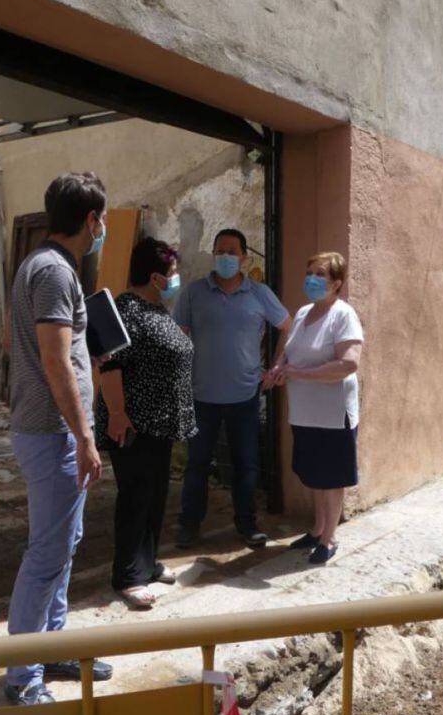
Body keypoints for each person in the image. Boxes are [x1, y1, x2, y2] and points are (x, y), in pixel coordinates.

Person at [4, 172, 112, 705]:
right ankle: (23, 676)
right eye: (102, 220)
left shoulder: (45, 266)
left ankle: (51, 646)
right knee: (47, 552)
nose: (103, 230)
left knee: (64, 544)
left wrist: (88, 360)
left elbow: (53, 350)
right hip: (53, 433)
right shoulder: (53, 272)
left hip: (51, 430)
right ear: (90, 220)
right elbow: (52, 359)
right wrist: (85, 435)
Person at [94, 238, 196, 609]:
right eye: (171, 274)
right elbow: (109, 365)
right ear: (154, 277)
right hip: (134, 423)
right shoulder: (124, 310)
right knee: (135, 497)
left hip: (161, 422)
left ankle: (148, 563)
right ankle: (127, 576)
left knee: (154, 495)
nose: (175, 280)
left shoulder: (156, 308)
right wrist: (118, 414)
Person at [172, 228, 290, 548]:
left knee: (245, 464)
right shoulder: (194, 293)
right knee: (197, 465)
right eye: (220, 251)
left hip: (245, 396)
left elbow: (287, 327)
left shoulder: (259, 294)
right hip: (201, 396)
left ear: (244, 257)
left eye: (231, 251)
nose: (225, 257)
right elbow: (179, 335)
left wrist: (276, 367)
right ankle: (189, 525)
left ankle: (247, 524)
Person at [268, 252, 363, 565]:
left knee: (331, 477)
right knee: (312, 474)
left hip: (333, 413)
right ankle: (317, 528)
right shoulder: (303, 313)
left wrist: (298, 374)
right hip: (304, 411)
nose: (311, 278)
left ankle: (329, 537)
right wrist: (278, 368)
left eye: (319, 274)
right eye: (309, 272)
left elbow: (348, 363)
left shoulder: (342, 315)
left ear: (336, 283)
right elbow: (288, 352)